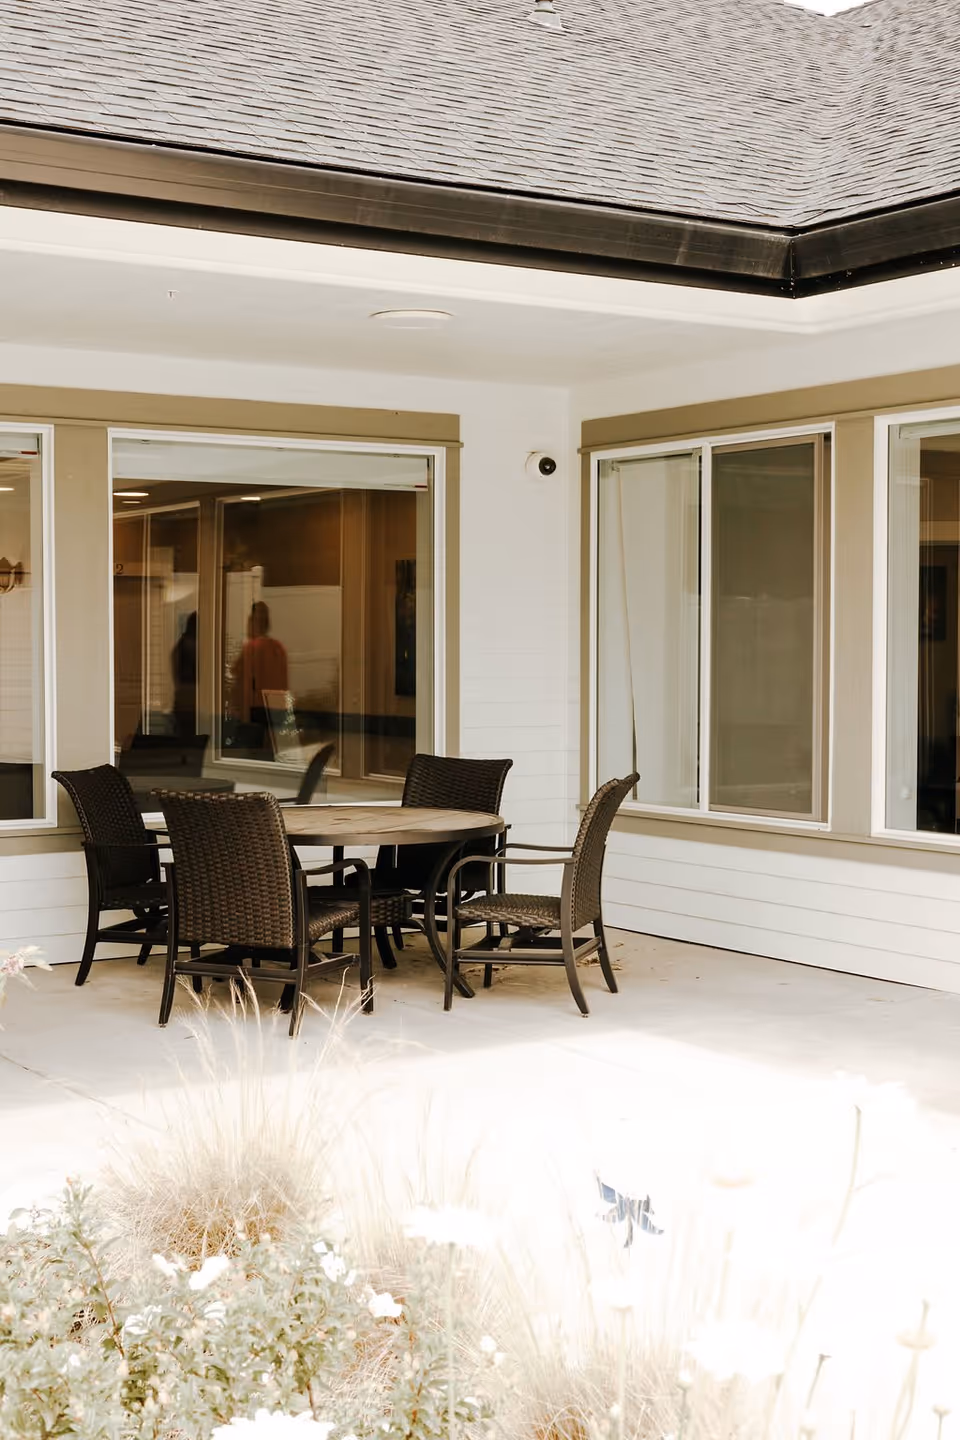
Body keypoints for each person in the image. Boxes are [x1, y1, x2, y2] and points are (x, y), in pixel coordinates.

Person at [229, 601, 289, 751]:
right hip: (277, 706)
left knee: (255, 753)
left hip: (257, 707)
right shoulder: (278, 648)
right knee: (273, 750)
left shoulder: (252, 647)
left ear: (253, 622)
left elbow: (237, 673)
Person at [171, 611, 198, 737]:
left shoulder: (180, 645)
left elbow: (175, 673)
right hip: (191, 698)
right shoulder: (194, 645)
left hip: (182, 697)